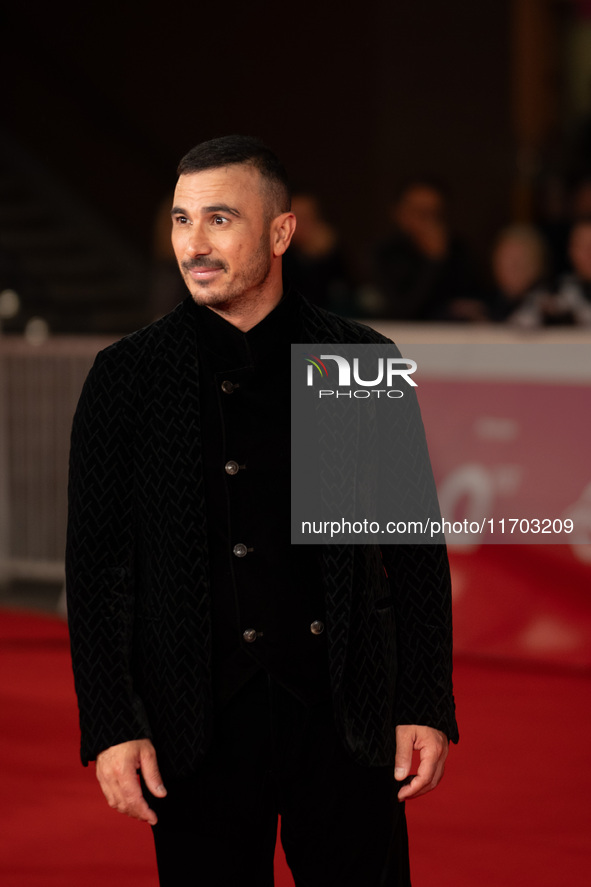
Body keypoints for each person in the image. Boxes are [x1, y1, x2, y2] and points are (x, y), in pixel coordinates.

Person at [66, 135, 458, 887]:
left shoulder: (349, 357)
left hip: (344, 718)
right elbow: (96, 568)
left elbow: (412, 551)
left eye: (219, 219)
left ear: (280, 232)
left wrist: (424, 701)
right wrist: (112, 725)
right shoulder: (128, 377)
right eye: (182, 220)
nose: (194, 243)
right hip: (195, 725)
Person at [370, 176, 484, 321]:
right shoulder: (385, 253)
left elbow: (473, 300)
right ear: (398, 212)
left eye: (433, 212)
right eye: (417, 211)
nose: (425, 220)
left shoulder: (459, 250)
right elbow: (402, 311)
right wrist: (433, 260)